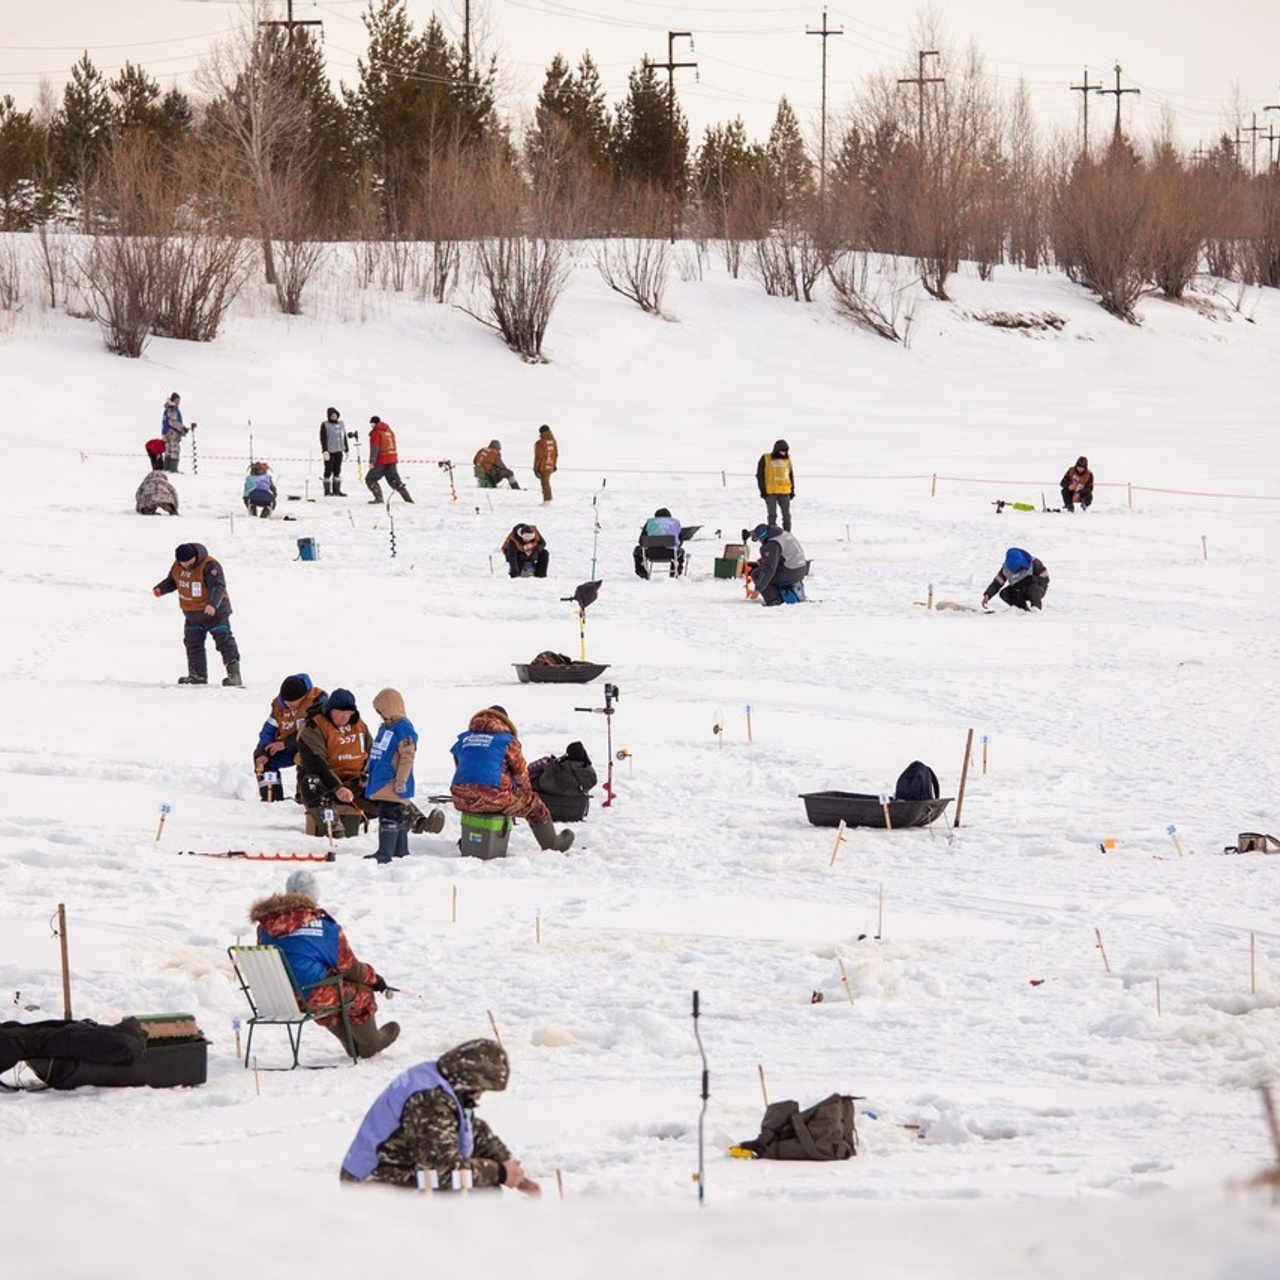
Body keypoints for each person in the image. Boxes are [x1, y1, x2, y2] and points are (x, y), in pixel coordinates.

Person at [340, 1038, 540, 1194]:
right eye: (481, 1089)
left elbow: (468, 1129)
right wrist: (500, 1173)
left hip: (392, 1171)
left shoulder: (436, 1078)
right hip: (370, 1186)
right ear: (469, 1080)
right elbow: (445, 1171)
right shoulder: (429, 1101)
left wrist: (508, 1165)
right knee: (480, 1193)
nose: (480, 1095)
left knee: (480, 1186)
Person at [249, 877, 399, 1060]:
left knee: (330, 983)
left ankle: (352, 1042)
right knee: (362, 991)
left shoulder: (265, 927)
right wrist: (375, 979)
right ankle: (369, 1045)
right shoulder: (323, 927)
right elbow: (349, 967)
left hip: (277, 999)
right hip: (311, 998)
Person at [297, 689, 444, 838]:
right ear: (330, 710)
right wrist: (337, 788)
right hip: (327, 783)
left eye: (349, 713)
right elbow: (315, 763)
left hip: (356, 782)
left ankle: (419, 822)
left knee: (384, 786)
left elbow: (374, 753)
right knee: (311, 783)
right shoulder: (314, 727)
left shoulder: (359, 725)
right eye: (341, 712)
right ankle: (334, 828)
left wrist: (368, 774)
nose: (345, 717)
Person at [450, 705, 574, 852]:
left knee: (480, 798)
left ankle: (474, 838)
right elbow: (521, 776)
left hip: (461, 798)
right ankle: (553, 844)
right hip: (496, 798)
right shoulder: (507, 741)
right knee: (535, 807)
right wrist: (525, 797)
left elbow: (462, 767)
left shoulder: (464, 739)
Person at [152, 542, 241, 686]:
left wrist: (212, 604)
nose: (185, 565)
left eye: (189, 562)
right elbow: (173, 581)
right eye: (182, 562)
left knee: (224, 642)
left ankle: (234, 676)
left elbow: (218, 585)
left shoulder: (210, 565)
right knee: (192, 644)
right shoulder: (178, 566)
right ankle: (197, 676)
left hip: (214, 614)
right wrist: (161, 589)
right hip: (192, 614)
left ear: (195, 557)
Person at [366, 687, 418, 863]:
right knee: (396, 814)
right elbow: (378, 751)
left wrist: (401, 779)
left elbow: (407, 756)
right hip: (381, 779)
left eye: (382, 710)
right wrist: (368, 769)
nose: (380, 714)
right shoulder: (385, 728)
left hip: (392, 781)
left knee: (389, 813)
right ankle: (399, 850)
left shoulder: (403, 728)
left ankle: (385, 851)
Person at [254, 674, 327, 801]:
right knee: (264, 760)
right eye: (286, 702)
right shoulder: (279, 706)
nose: (289, 706)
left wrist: (286, 744)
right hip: (287, 747)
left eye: (293, 702)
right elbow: (268, 730)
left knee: (305, 759)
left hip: (311, 747)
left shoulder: (317, 701)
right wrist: (262, 751)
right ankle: (271, 798)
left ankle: (305, 798)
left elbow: (313, 731)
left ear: (304, 696)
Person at [748, 523, 808, 606]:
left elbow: (769, 569)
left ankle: (774, 600)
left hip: (791, 571)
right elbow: (786, 553)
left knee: (758, 574)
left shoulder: (772, 544)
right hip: (801, 569)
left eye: (758, 539)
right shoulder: (782, 534)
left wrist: (758, 589)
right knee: (767, 571)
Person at [982, 547, 1050, 611]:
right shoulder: (1005, 569)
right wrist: (988, 594)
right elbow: (997, 582)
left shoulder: (1035, 563)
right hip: (1019, 589)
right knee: (1004, 593)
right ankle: (1022, 610)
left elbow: (1045, 579)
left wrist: (1032, 579)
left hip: (1036, 588)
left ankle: (1036, 610)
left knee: (1033, 588)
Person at [366, 415, 413, 504]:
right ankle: (408, 499)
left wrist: (372, 460)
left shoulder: (376, 432)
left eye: (372, 424)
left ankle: (378, 498)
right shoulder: (389, 431)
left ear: (374, 423)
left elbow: (375, 447)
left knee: (370, 479)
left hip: (382, 460)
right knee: (394, 480)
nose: (372, 426)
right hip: (392, 459)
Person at [633, 507, 684, 579]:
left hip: (651, 553)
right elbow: (680, 541)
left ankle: (643, 573)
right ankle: (675, 573)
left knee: (637, 550)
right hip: (671, 553)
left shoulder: (650, 522)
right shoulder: (675, 522)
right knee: (680, 551)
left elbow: (641, 541)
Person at [756, 439, 794, 532]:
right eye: (782, 450)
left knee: (787, 515)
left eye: (785, 451)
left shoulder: (787, 460)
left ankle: (787, 534)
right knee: (772, 515)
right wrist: (762, 490)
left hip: (785, 492)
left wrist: (792, 490)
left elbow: (790, 475)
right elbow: (760, 475)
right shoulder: (766, 458)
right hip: (770, 492)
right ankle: (773, 534)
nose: (784, 453)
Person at [319, 407, 349, 497]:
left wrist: (346, 449)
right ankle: (327, 491)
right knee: (328, 470)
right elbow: (323, 438)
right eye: (332, 415)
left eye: (335, 415)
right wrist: (325, 451)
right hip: (330, 451)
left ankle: (337, 490)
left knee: (337, 470)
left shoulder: (341, 424)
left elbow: (344, 437)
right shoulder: (325, 425)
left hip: (339, 450)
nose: (334, 417)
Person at [160, 392, 193, 474]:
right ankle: (173, 469)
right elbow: (173, 422)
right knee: (174, 450)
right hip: (172, 433)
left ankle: (167, 469)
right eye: (178, 400)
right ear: (174, 400)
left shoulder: (168, 408)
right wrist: (182, 429)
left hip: (166, 432)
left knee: (168, 451)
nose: (179, 402)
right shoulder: (173, 408)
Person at [532, 424, 557, 502]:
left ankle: (547, 502)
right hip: (550, 465)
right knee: (546, 483)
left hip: (543, 466)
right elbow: (556, 454)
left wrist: (535, 468)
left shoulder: (540, 443)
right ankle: (548, 500)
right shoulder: (553, 441)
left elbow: (538, 456)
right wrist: (554, 465)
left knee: (545, 485)